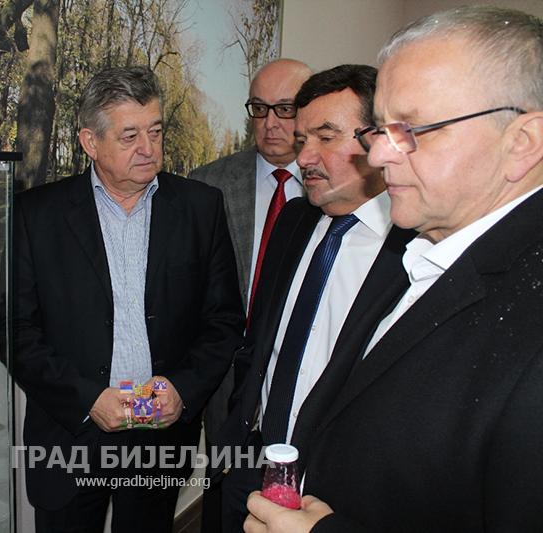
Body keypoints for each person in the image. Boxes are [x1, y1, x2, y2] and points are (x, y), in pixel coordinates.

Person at [243, 6, 543, 532]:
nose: (378, 155)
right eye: (381, 129)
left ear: (521, 143)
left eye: (410, 129)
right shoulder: (428, 252)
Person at [11, 65, 244, 533]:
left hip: (160, 433)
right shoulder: (37, 215)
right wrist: (87, 399)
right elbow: (16, 330)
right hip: (72, 432)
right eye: (130, 135)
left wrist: (183, 389)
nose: (148, 148)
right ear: (90, 142)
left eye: (155, 132)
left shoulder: (200, 208)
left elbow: (223, 321)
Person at [220, 64, 415, 532]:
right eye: (302, 139)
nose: (305, 156)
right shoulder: (293, 221)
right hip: (252, 466)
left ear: (378, 140)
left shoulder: (415, 250)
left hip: (336, 495)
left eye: (326, 137)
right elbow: (259, 339)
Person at [188, 59, 311, 532]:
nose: (271, 123)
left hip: (299, 371)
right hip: (223, 377)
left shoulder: (335, 187)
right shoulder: (208, 184)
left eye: (286, 108)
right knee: (224, 495)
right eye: (259, 108)